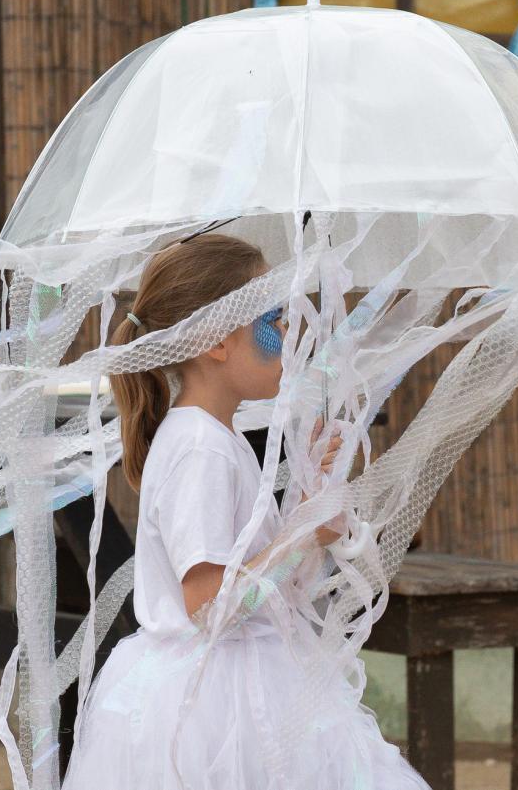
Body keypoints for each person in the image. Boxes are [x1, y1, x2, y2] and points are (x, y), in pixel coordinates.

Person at [60, 233, 433, 790]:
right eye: (272, 317)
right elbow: (209, 604)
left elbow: (269, 587)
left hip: (239, 677)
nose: (286, 332)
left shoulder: (217, 438)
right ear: (216, 340)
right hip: (218, 704)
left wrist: (310, 510)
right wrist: (302, 535)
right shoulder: (199, 449)